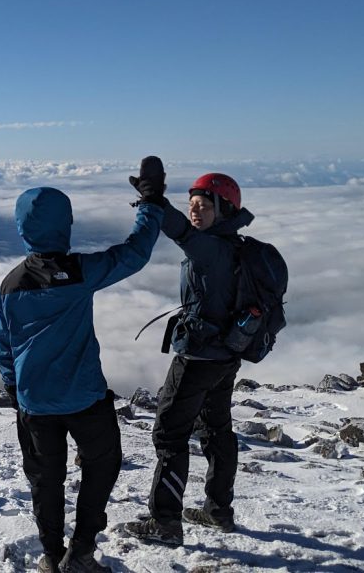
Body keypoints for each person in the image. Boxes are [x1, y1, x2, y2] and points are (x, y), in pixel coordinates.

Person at [0, 158, 167, 572]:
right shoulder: (80, 273)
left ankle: (52, 557)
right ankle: (82, 548)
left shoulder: (11, 284)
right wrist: (150, 203)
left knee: (45, 480)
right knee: (102, 463)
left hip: (35, 403)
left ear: (22, 229)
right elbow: (135, 253)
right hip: (86, 399)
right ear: (65, 226)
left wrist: (15, 390)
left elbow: (2, 344)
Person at [120, 171, 255, 547]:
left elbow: (180, 231)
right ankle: (218, 511)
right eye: (192, 204)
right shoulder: (233, 245)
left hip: (197, 358)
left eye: (204, 205)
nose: (195, 211)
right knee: (216, 429)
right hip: (226, 356)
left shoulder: (210, 248)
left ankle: (165, 521)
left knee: (169, 433)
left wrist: (155, 201)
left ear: (224, 209)